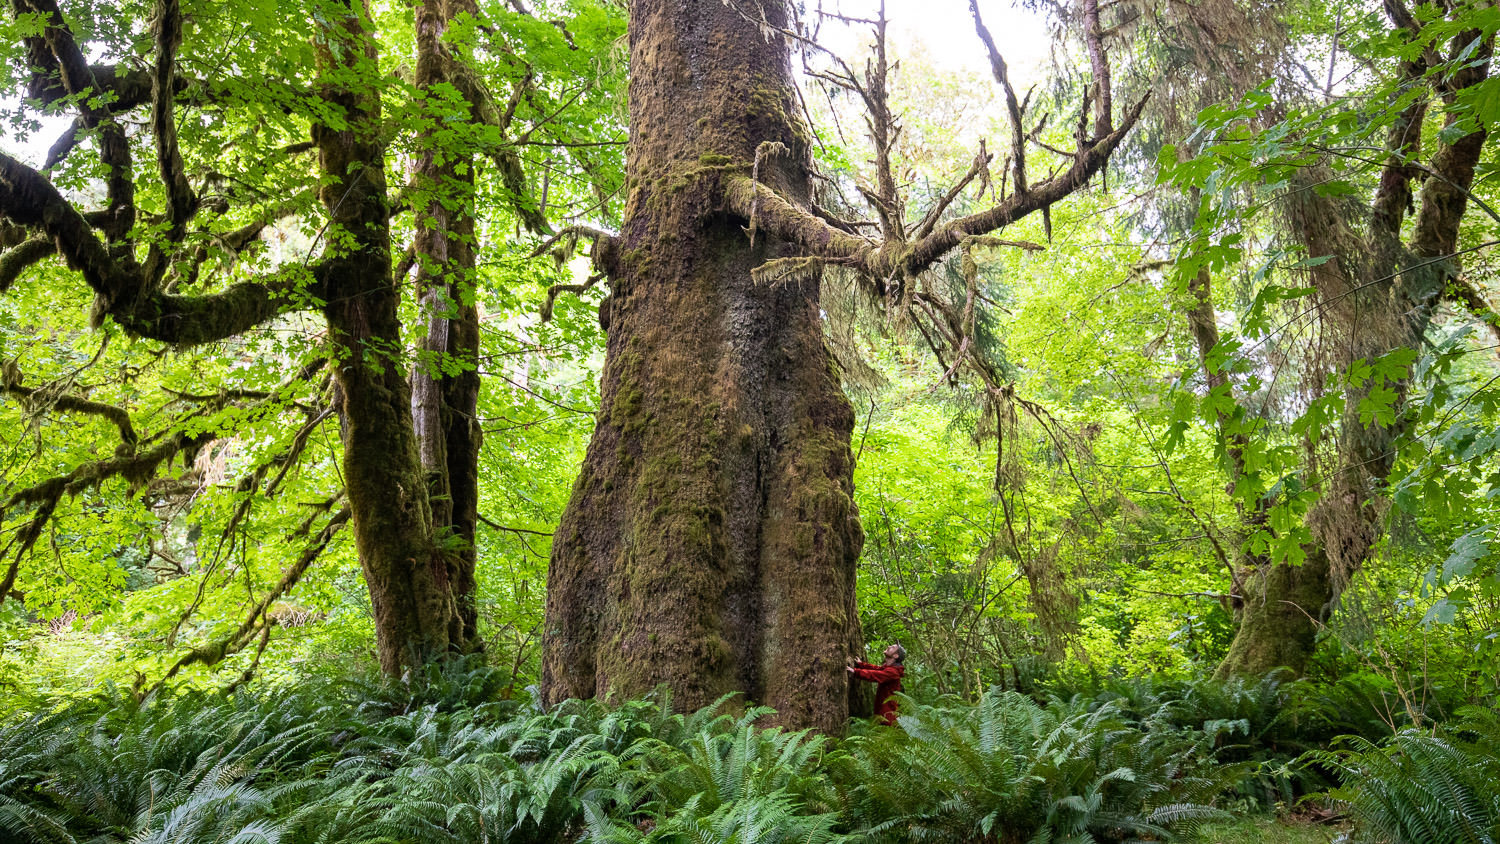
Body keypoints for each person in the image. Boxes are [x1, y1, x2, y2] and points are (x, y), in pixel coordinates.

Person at [847, 642, 906, 725]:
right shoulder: (889, 668)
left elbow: (875, 675)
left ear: (895, 656)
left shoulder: (893, 672)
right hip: (882, 710)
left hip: (887, 714)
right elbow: (878, 669)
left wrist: (856, 672)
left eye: (892, 647)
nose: (889, 646)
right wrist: (862, 665)